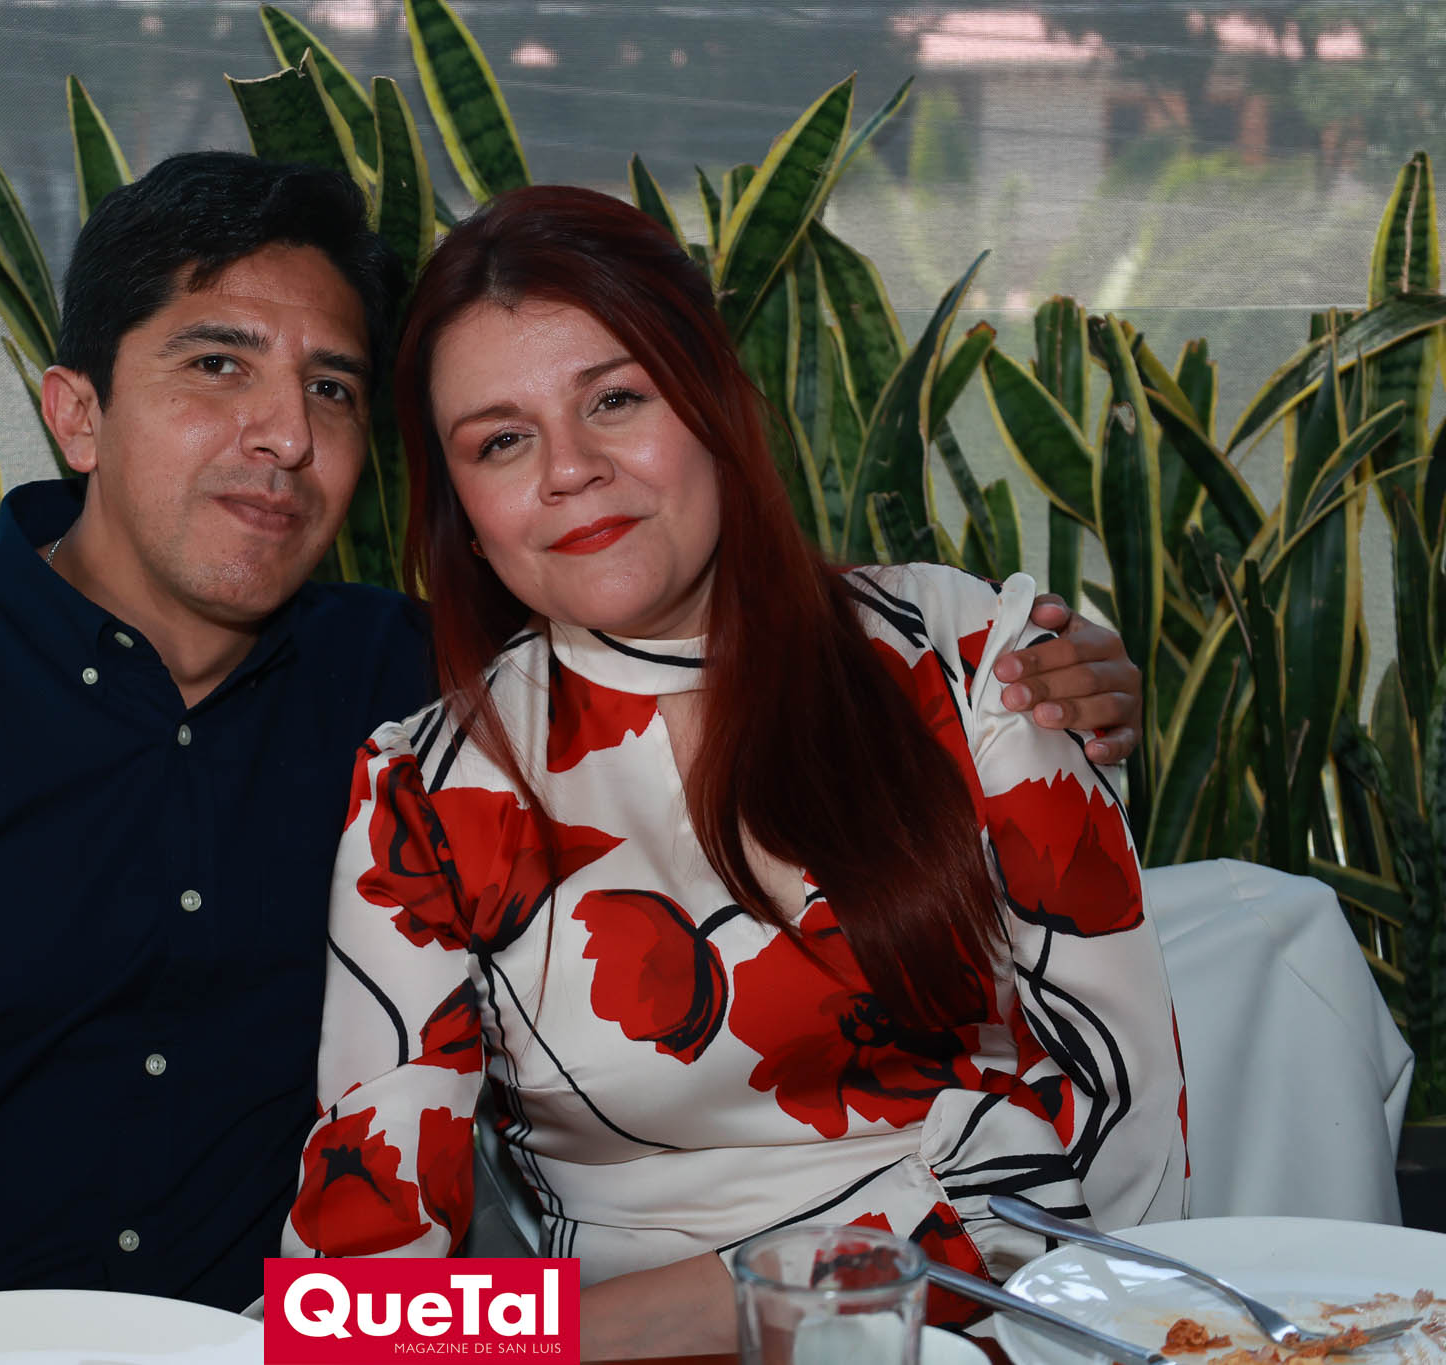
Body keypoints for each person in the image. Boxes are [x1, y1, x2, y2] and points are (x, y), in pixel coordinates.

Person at [0, 153, 1145, 1352]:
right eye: (217, 365)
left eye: (332, 390)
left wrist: (1035, 679)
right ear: (76, 414)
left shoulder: (430, 693)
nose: (284, 434)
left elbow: (683, 625)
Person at [280, 185, 1188, 1361]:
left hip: (997, 1335)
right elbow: (356, 1300)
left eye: (614, 399)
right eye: (500, 440)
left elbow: (1112, 1141)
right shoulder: (424, 795)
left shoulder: (970, 659)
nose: (569, 469)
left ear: (711, 397)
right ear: (462, 506)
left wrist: (597, 1328)